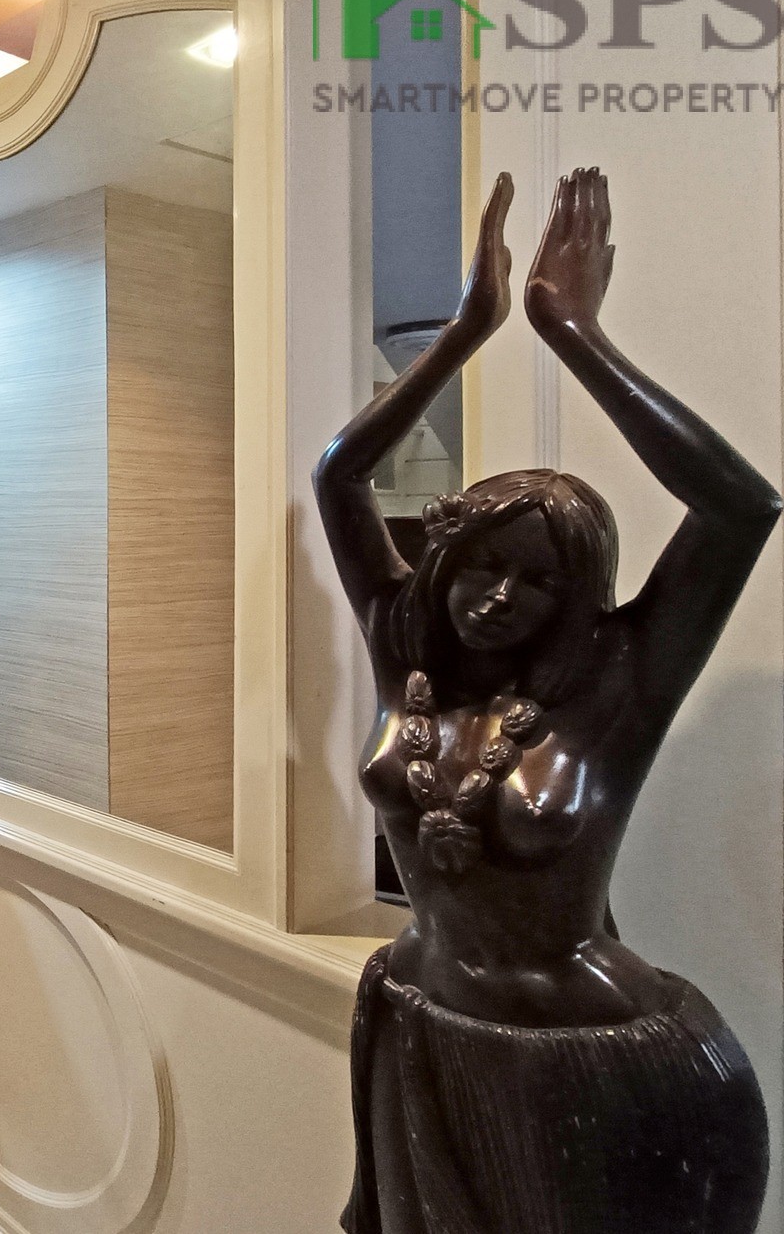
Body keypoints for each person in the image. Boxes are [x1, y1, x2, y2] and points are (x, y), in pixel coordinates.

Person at [315, 169, 775, 1233]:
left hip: (583, 1058)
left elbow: (740, 507)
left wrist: (572, 333)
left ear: (575, 601)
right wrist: (462, 334)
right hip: (415, 1022)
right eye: (481, 565)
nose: (496, 598)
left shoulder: (616, 680)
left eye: (536, 582)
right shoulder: (406, 650)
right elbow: (339, 477)